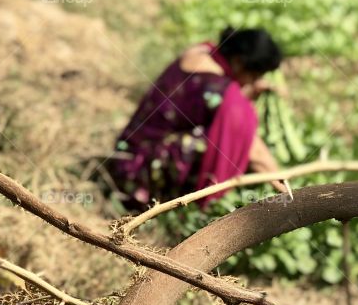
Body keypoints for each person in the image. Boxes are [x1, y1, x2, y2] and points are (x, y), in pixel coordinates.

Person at [109, 27, 287, 210]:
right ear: (239, 61)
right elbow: (253, 150)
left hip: (125, 153)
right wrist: (287, 189)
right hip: (135, 173)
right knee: (223, 140)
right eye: (254, 76)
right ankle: (161, 202)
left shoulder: (201, 51)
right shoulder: (221, 93)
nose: (252, 82)